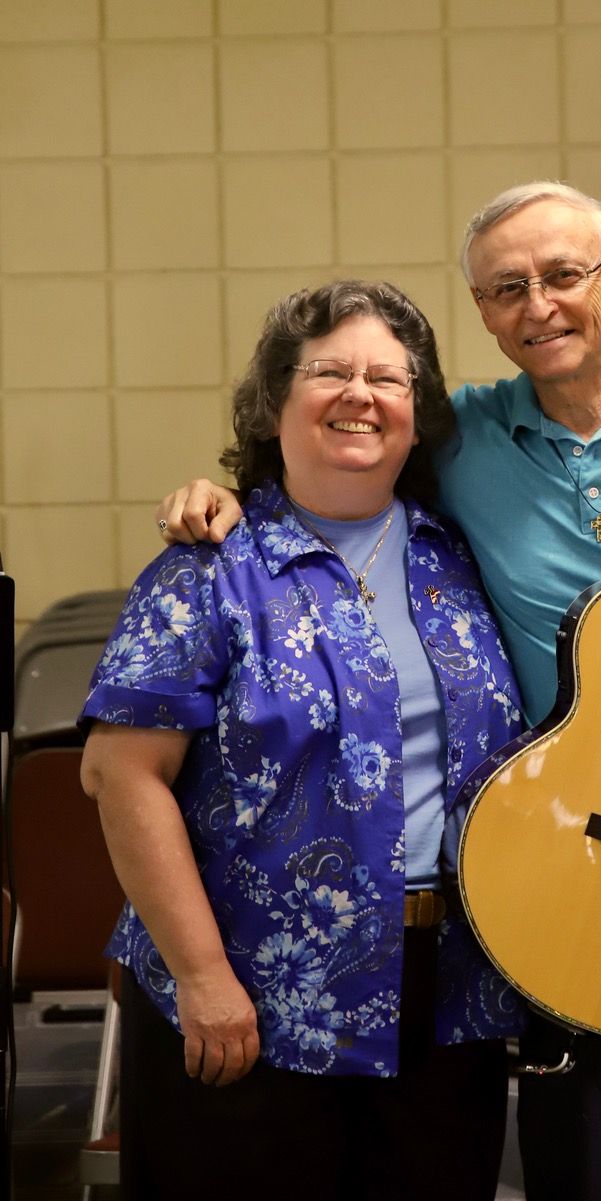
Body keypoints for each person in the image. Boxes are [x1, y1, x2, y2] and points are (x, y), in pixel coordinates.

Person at [155, 183, 601, 1201]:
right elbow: (341, 460)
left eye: (561, 275)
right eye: (505, 288)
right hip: (577, 862)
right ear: (483, 313)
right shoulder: (458, 440)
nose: (537, 305)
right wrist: (224, 498)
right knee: (591, 1166)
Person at [79, 280, 525, 1201]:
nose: (361, 394)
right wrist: (202, 974)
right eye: (329, 372)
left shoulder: (461, 556)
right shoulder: (208, 567)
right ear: (273, 401)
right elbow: (120, 777)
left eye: (388, 377)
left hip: (445, 997)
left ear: (417, 413)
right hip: (247, 989)